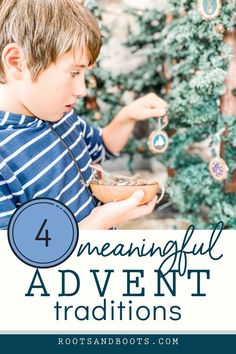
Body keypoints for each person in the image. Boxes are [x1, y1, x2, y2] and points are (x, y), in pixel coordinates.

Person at [0, 0, 167, 230]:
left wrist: (127, 116)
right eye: (74, 72)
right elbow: (18, 261)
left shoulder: (61, 114)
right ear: (17, 63)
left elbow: (101, 146)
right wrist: (99, 223)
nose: (82, 90)